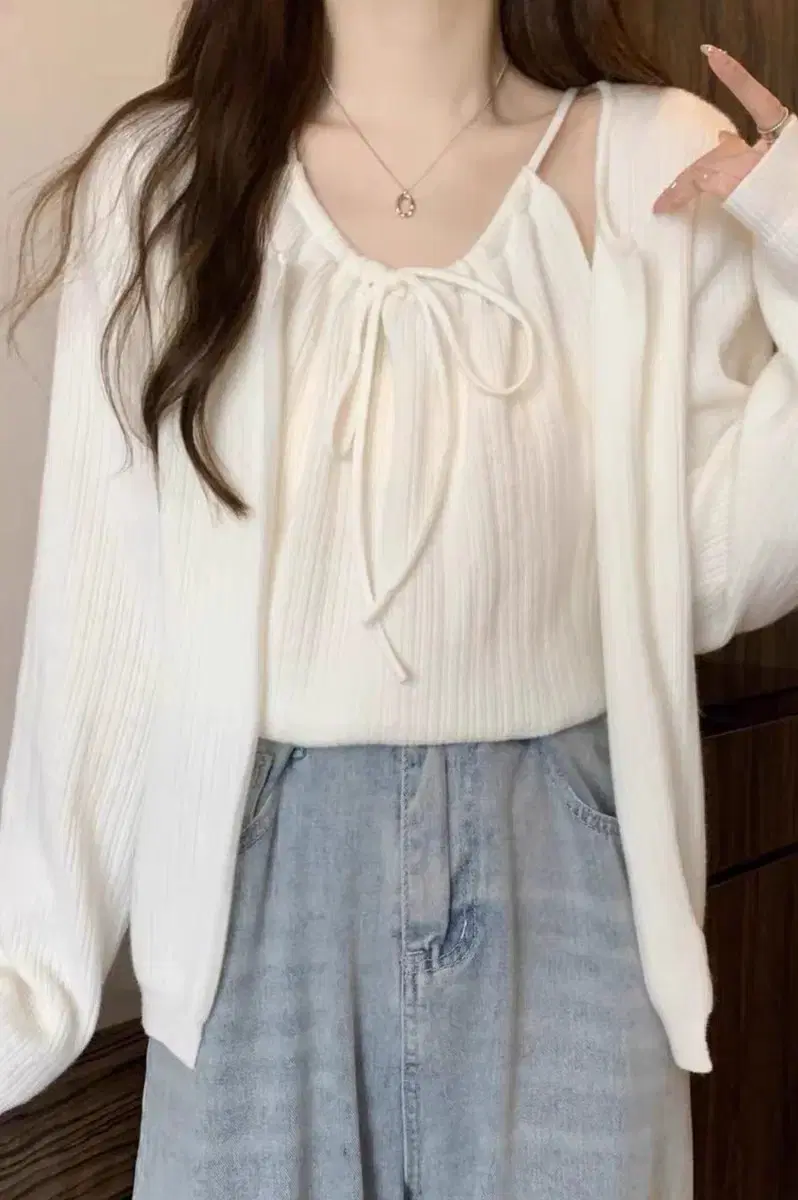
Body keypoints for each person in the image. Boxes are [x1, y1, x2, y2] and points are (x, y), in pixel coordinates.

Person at [1, 0, 797, 1195]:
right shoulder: (166, 175)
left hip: (571, 875)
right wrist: (29, 981)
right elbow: (100, 618)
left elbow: (715, 567)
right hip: (253, 887)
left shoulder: (657, 157)